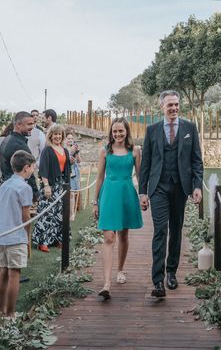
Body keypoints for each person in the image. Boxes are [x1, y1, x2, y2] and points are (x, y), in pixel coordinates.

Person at [139, 90, 203, 298]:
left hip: (180, 187)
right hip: (158, 187)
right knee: (160, 230)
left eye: (176, 104)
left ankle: (171, 272)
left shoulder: (190, 128)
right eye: (170, 105)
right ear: (162, 107)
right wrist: (142, 192)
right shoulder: (152, 130)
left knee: (176, 229)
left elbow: (196, 161)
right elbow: (146, 164)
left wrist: (197, 186)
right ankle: (157, 281)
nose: (174, 108)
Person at [92, 118, 143, 299]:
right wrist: (95, 202)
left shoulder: (135, 151)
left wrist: (143, 196)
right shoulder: (104, 151)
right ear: (111, 133)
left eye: (121, 131)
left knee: (123, 234)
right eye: (115, 131)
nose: (118, 134)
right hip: (109, 193)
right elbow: (99, 178)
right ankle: (106, 283)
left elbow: (140, 175)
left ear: (127, 131)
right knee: (108, 236)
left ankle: (120, 269)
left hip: (127, 193)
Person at [0, 150, 35, 317]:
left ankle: (1, 311)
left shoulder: (5, 185)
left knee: (4, 272)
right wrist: (27, 235)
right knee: (14, 273)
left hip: (0, 234)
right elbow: (26, 216)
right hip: (15, 234)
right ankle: (10, 314)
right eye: (32, 168)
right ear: (26, 168)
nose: (33, 171)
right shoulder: (25, 187)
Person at [32, 124, 71, 252]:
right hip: (50, 185)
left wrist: (68, 186)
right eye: (55, 134)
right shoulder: (47, 150)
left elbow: (67, 170)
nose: (58, 136)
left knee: (60, 213)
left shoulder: (65, 150)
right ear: (51, 135)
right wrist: (46, 186)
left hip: (61, 185)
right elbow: (43, 169)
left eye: (60, 134)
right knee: (47, 213)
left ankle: (58, 239)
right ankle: (43, 242)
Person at [0, 111, 39, 202]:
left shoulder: (7, 139)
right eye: (29, 124)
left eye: (33, 124)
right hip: (17, 190)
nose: (32, 127)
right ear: (18, 125)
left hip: (9, 187)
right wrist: (35, 193)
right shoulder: (18, 144)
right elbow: (28, 170)